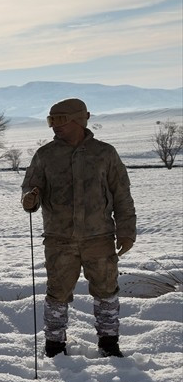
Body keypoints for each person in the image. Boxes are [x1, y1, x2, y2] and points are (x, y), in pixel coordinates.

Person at [22, 97, 136, 358]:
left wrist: (127, 231)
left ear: (79, 119)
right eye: (51, 121)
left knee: (107, 292)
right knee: (57, 294)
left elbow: (122, 194)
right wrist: (30, 199)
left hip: (100, 238)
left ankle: (109, 344)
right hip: (58, 240)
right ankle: (54, 346)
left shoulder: (105, 153)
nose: (54, 127)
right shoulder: (45, 155)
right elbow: (30, 187)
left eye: (60, 120)